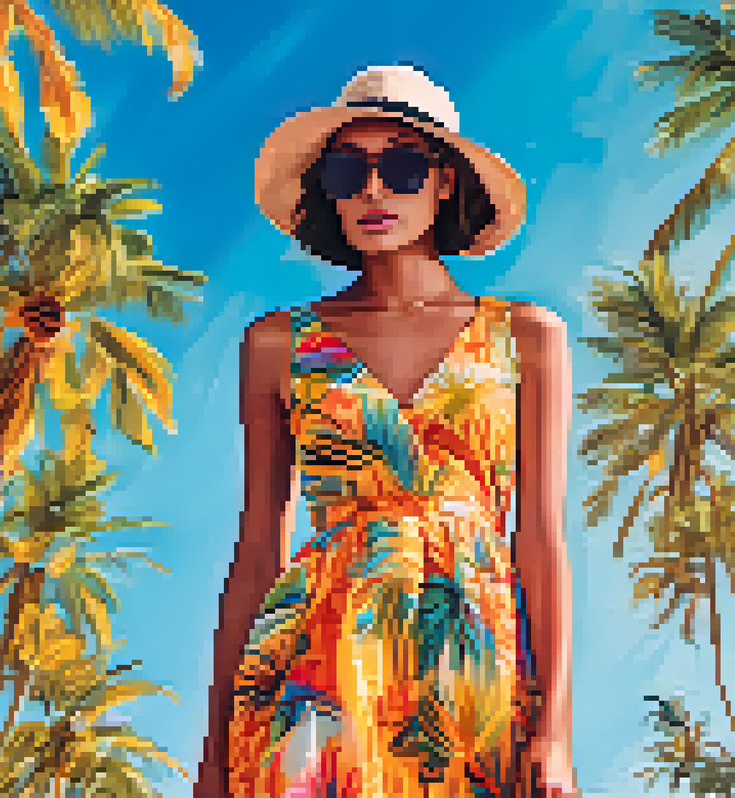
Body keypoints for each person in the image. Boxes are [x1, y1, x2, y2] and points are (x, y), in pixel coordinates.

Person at [196, 65, 576, 798]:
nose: (372, 191)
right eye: (348, 169)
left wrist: (554, 732)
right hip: (315, 670)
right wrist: (214, 756)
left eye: (401, 167)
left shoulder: (527, 336)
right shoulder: (278, 343)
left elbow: (539, 538)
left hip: (475, 671)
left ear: (445, 183)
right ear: (327, 190)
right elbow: (256, 551)